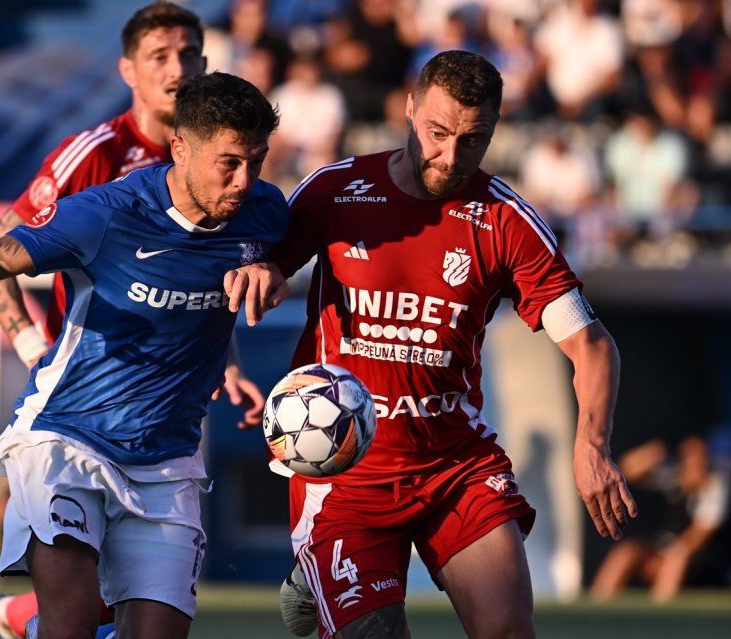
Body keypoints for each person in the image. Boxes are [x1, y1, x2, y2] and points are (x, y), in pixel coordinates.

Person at [0, 70, 285, 639]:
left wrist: (270, 270)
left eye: (257, 160)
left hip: (167, 462)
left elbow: (292, 256)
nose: (245, 180)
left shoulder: (266, 213)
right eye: (230, 163)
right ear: (180, 149)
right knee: (72, 621)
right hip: (66, 440)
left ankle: (10, 625)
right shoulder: (106, 213)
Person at [225, 50, 638, 639]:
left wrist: (591, 444)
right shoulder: (335, 191)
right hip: (344, 471)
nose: (451, 157)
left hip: (455, 467)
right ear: (411, 108)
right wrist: (262, 273)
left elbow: (592, 344)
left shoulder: (506, 220)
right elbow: (262, 265)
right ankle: (322, 582)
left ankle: (319, 586)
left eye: (473, 140)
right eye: (438, 133)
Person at [0, 3, 265, 638]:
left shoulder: (231, 168)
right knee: (80, 597)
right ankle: (16, 616)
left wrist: (231, 362)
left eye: (188, 54)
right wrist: (29, 346)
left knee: (132, 593)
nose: (177, 68)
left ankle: (15, 619)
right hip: (80, 403)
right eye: (160, 56)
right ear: (128, 69)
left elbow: (207, 275)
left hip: (170, 405)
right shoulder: (96, 157)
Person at [590, 435, 731, 602]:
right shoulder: (674, 478)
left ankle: (659, 619)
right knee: (626, 552)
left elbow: (697, 539)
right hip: (663, 551)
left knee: (678, 557)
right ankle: (597, 610)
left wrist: (666, 559)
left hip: (701, 561)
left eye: (702, 458)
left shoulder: (715, 487)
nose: (697, 465)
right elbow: (626, 471)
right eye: (691, 459)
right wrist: (647, 456)